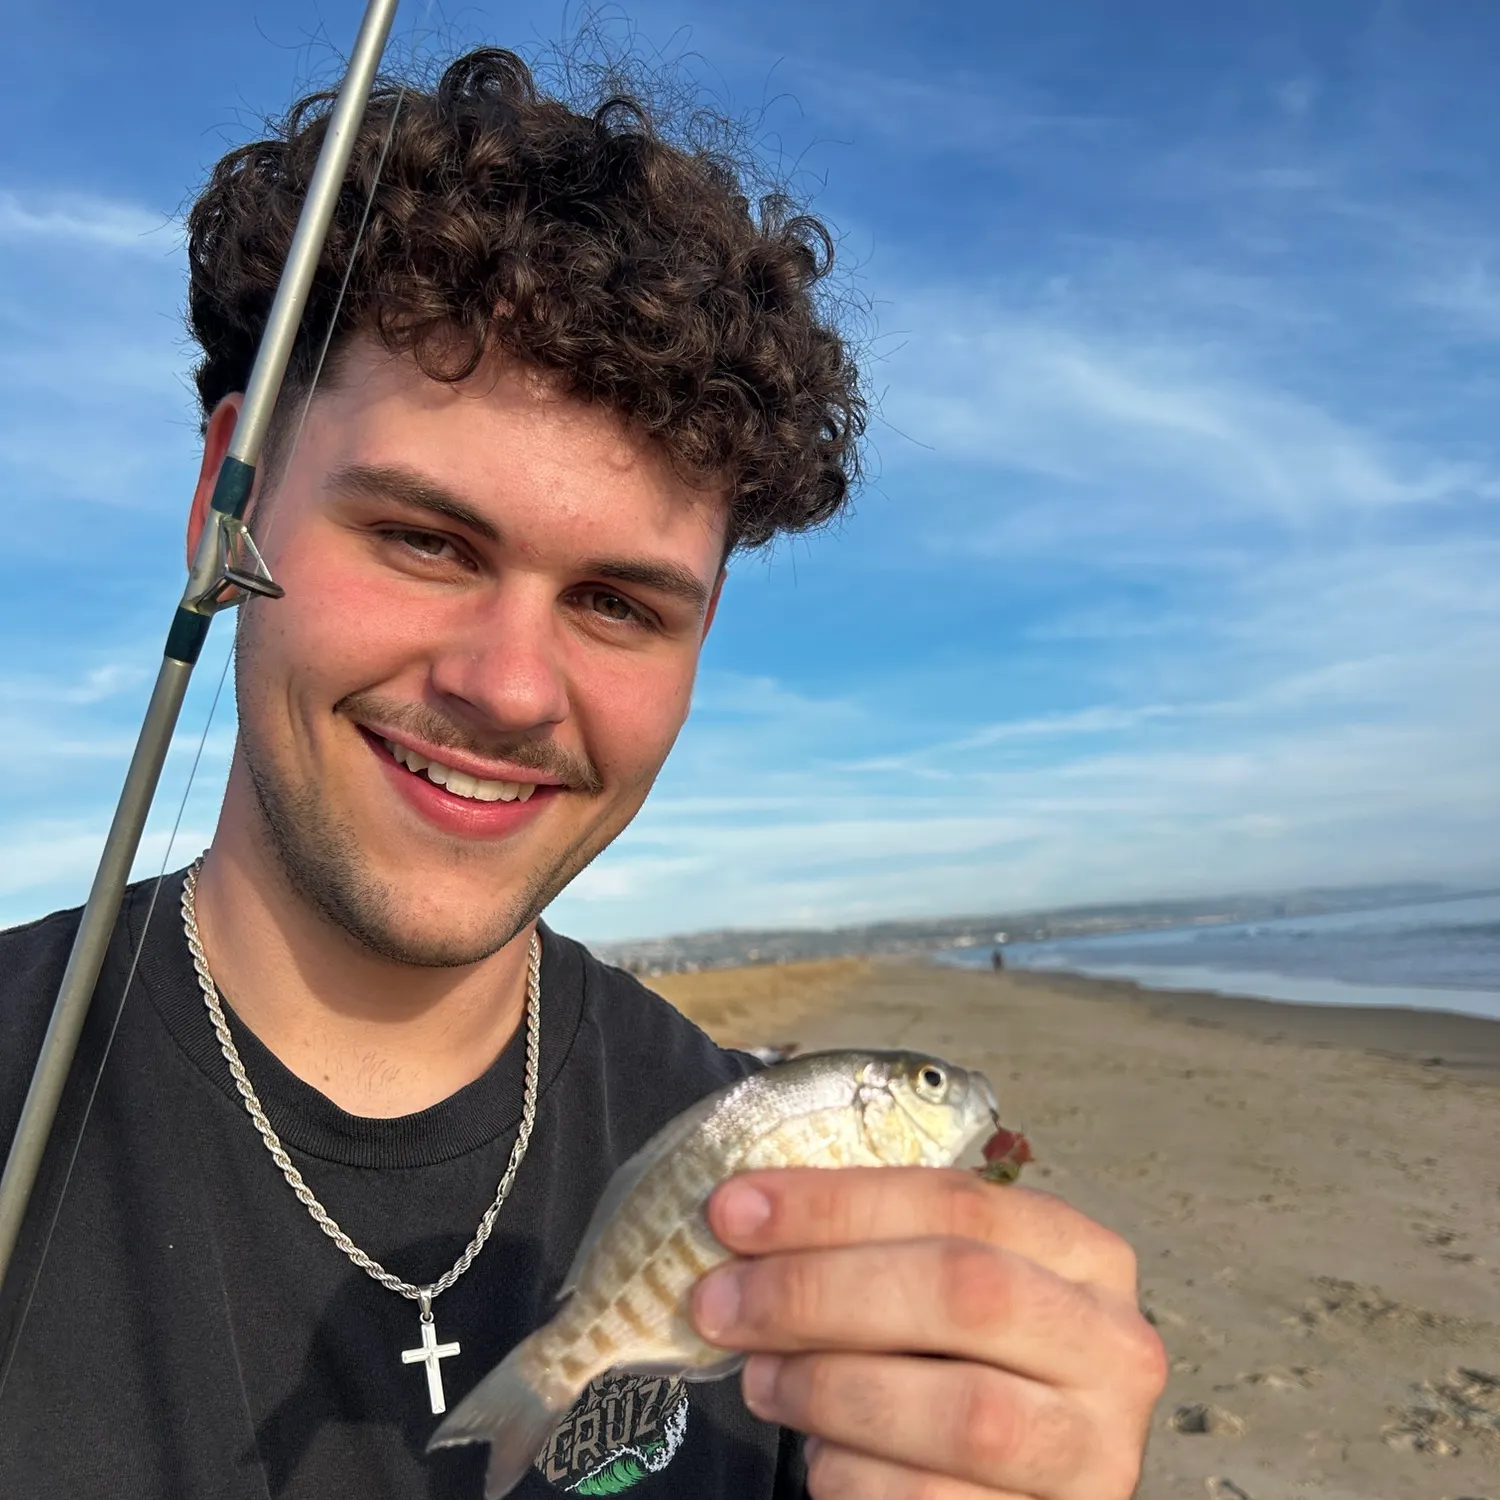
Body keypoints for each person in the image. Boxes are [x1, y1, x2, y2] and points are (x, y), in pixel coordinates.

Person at [0, 48, 1164, 1500]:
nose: (505, 687)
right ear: (222, 500)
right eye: (426, 540)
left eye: (618, 603)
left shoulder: (799, 1208)